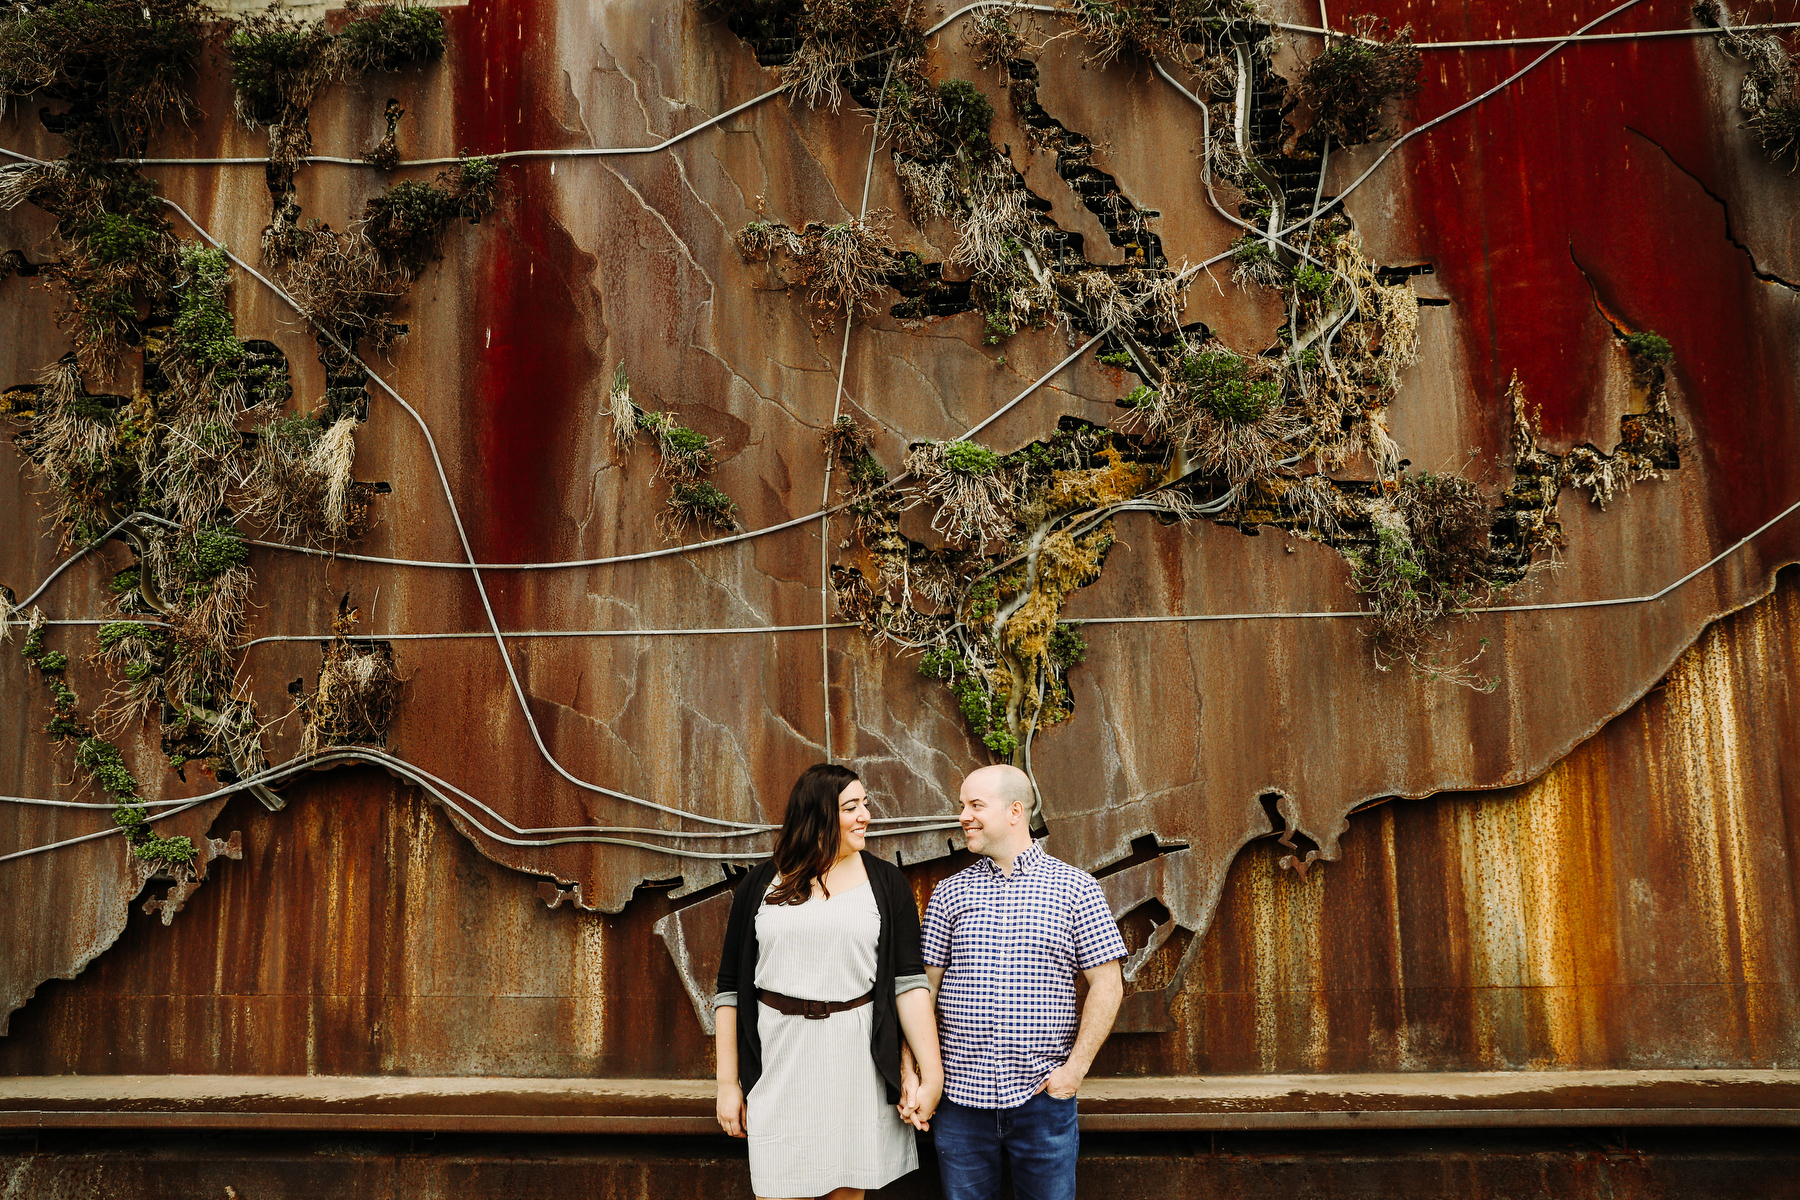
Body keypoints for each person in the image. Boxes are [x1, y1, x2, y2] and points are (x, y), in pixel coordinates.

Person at [714, 762, 945, 1200]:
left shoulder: (885, 882)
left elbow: (909, 985)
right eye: (851, 807)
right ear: (818, 815)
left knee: (847, 1191)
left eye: (865, 804)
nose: (866, 816)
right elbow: (729, 991)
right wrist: (728, 1084)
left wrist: (930, 1074)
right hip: (780, 1055)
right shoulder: (761, 882)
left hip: (856, 1057)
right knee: (777, 1189)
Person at [904, 764, 1126, 1200]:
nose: (963, 816)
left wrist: (1073, 1072)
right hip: (960, 1100)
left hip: (1042, 1099)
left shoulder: (1076, 889)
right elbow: (922, 990)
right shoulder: (949, 893)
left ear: (1015, 811)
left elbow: (1107, 984)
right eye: (962, 805)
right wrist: (911, 1070)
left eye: (975, 805)